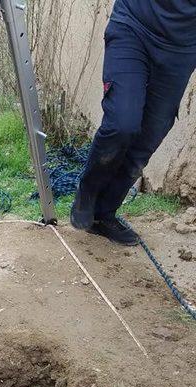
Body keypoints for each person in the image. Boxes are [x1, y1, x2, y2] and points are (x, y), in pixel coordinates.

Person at [71, 0, 196, 246]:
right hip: (134, 26)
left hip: (181, 49)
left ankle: (105, 214)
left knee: (149, 137)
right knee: (122, 122)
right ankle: (88, 190)